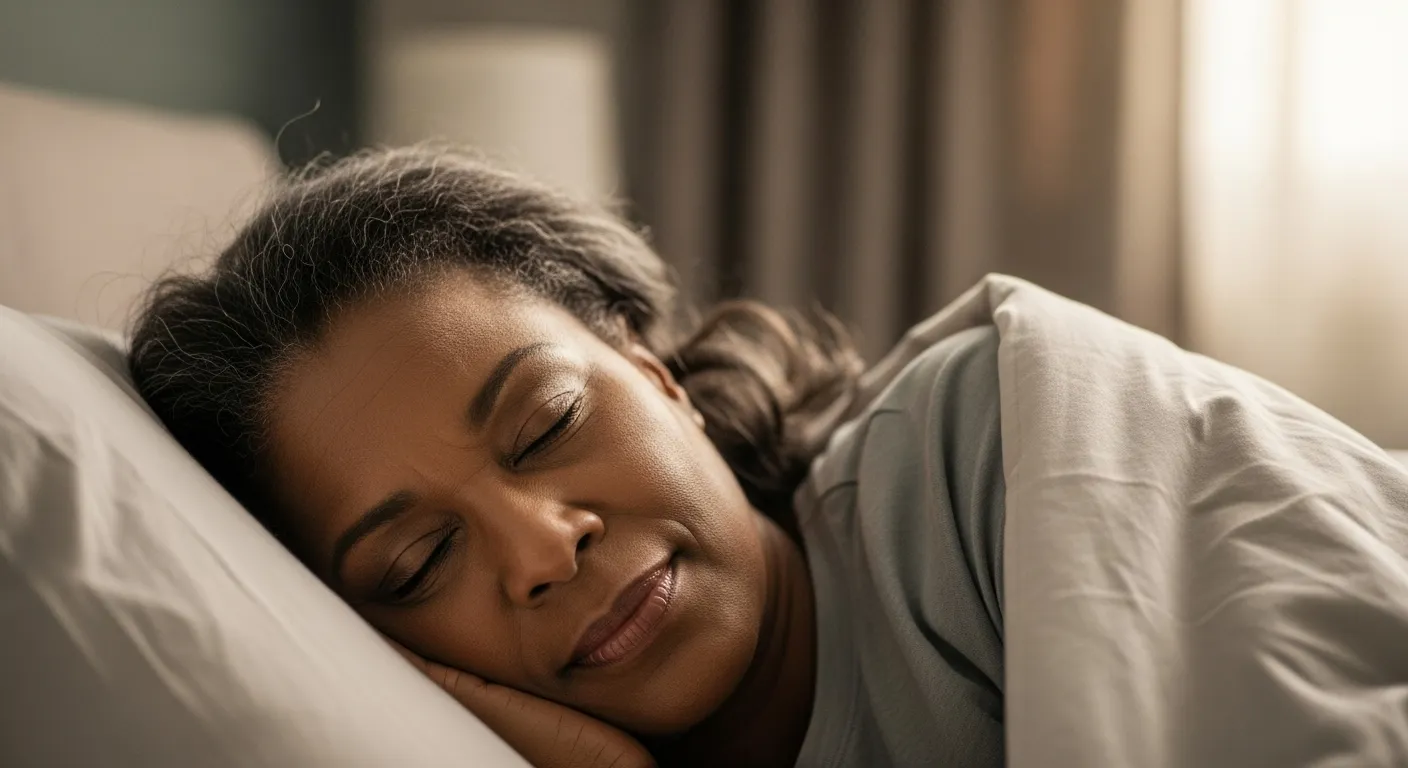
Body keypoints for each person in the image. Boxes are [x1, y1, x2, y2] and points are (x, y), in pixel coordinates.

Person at [127, 146, 1006, 768]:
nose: (545, 551)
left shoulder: (990, 433)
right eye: (420, 561)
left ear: (654, 373)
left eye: (548, 424)